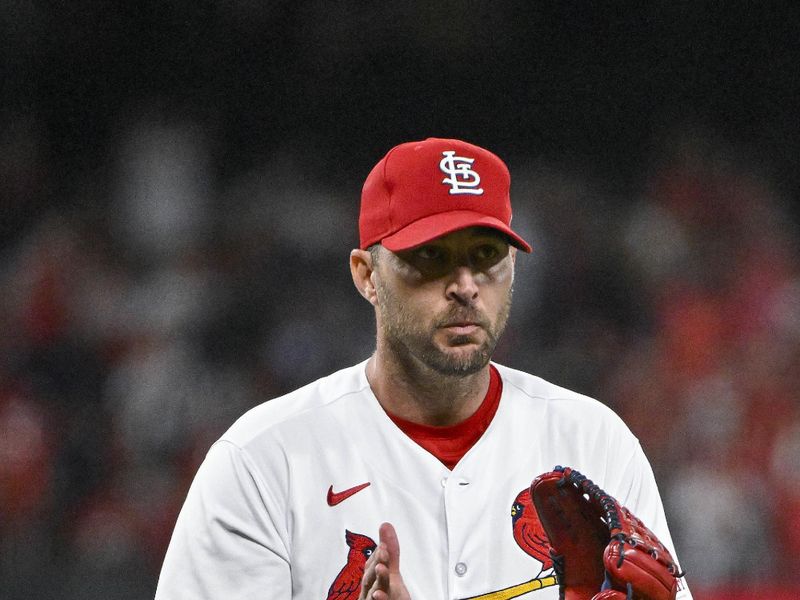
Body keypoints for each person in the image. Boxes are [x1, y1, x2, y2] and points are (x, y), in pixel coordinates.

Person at [155, 138, 691, 599]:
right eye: (431, 257)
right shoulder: (263, 463)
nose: (464, 284)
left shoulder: (594, 443)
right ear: (367, 275)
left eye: (485, 255)